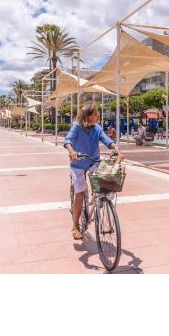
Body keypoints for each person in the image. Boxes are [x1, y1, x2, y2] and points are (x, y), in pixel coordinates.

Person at [63, 103, 120, 240]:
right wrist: (72, 152)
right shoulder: (77, 126)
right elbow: (67, 140)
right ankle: (75, 225)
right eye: (95, 113)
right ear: (88, 116)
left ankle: (101, 199)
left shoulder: (97, 128)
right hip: (78, 163)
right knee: (80, 194)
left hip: (93, 162)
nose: (98, 115)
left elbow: (107, 140)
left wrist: (115, 149)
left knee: (104, 182)